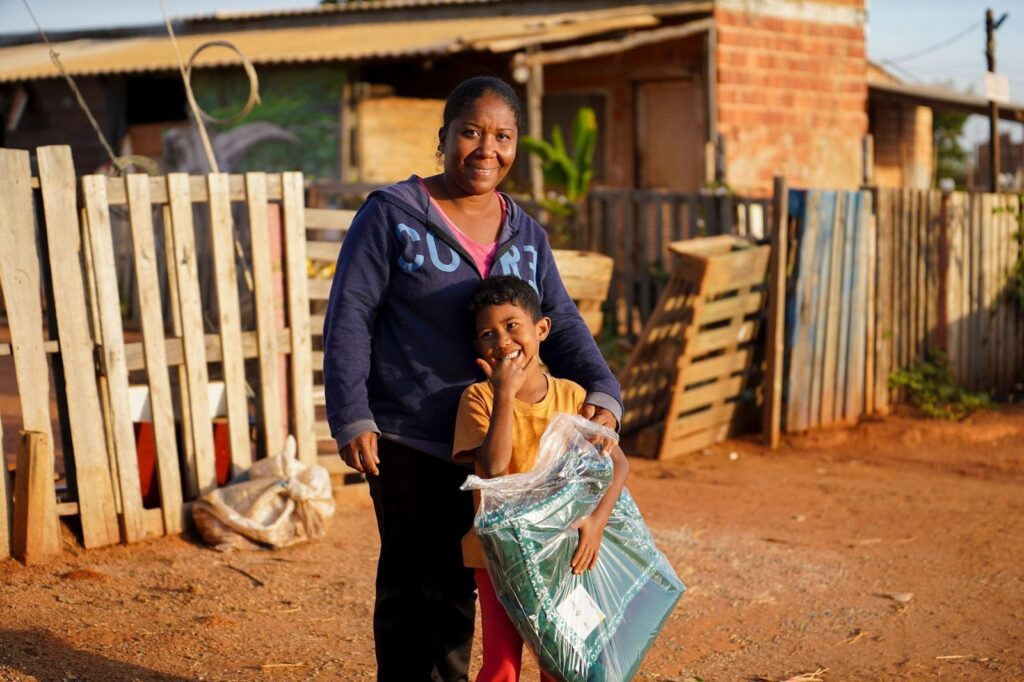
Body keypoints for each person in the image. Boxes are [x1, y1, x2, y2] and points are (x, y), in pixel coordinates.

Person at [322, 75, 622, 682]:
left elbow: (558, 318)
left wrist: (603, 390)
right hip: (411, 437)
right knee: (414, 587)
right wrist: (351, 413)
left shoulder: (526, 233)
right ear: (445, 138)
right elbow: (350, 312)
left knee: (467, 589)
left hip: (499, 456)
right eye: (472, 132)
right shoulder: (393, 216)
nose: (488, 150)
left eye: (503, 136)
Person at [454, 276, 629, 682]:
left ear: (542, 329)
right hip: (498, 556)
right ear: (478, 348)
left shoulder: (571, 396)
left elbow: (617, 464)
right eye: (488, 334)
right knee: (502, 666)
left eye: (513, 325)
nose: (502, 340)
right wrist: (504, 394)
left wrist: (597, 523)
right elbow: (494, 468)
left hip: (561, 554)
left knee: (565, 662)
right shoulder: (477, 399)